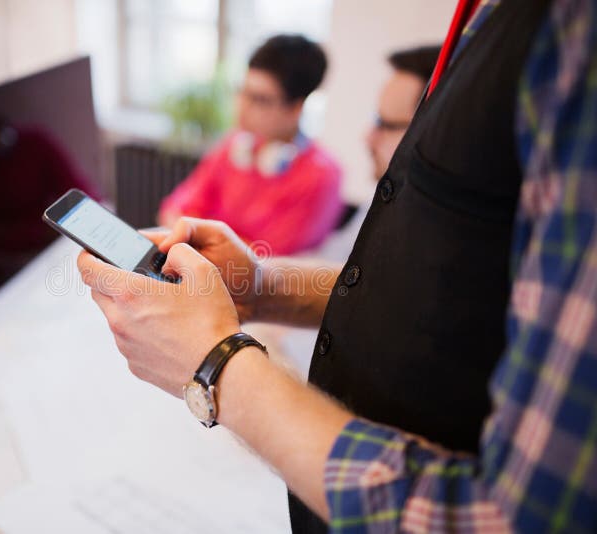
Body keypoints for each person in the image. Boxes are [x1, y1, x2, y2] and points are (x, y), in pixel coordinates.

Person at [77, 0, 596, 532]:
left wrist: (214, 363)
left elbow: (513, 519)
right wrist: (258, 285)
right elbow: (459, 287)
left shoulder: (572, 37)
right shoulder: (491, 24)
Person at [158, 34, 344, 256]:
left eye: (260, 99)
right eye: (242, 92)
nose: (242, 108)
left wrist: (192, 233)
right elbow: (174, 210)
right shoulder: (234, 146)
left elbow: (265, 264)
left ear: (296, 109)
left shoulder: (321, 177)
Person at [315, 45, 440, 263]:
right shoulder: (386, 197)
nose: (368, 137)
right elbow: (331, 261)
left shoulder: (425, 237)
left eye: (385, 125)